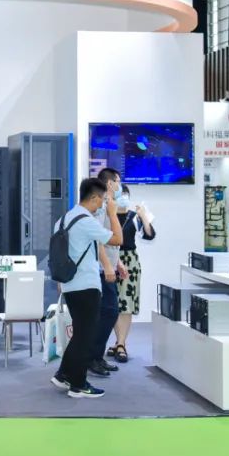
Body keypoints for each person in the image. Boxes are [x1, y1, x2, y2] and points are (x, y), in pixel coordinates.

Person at [50, 178, 122, 399]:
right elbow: (117, 239)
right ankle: (78, 385)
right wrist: (112, 214)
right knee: (85, 336)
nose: (103, 204)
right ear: (94, 198)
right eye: (103, 199)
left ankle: (63, 374)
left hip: (70, 284)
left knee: (80, 334)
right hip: (86, 286)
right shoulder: (86, 221)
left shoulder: (63, 219)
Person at [107, 185, 156, 363]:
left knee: (126, 304)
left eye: (126, 194)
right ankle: (118, 342)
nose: (123, 197)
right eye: (120, 194)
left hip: (130, 262)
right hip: (110, 259)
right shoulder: (107, 215)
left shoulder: (134, 217)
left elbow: (149, 235)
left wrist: (144, 216)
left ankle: (121, 343)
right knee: (113, 304)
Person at [88, 167, 126, 378]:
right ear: (110, 183)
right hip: (101, 271)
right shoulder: (102, 207)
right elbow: (98, 240)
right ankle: (93, 357)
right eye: (118, 181)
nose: (120, 185)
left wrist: (117, 262)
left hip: (108, 267)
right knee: (109, 312)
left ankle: (97, 356)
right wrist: (108, 266)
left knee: (108, 312)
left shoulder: (109, 205)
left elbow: (110, 239)